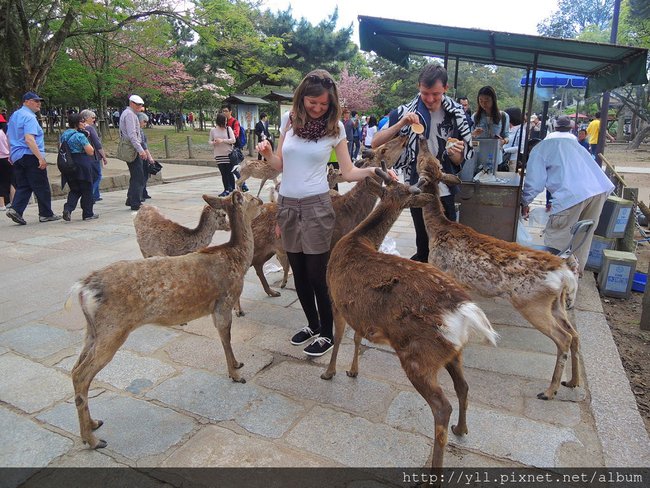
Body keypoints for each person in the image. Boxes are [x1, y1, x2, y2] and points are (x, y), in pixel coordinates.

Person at [256, 69, 392, 357]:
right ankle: (312, 324)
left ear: (332, 104)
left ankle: (327, 333)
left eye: (323, 104)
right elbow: (280, 165)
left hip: (317, 207)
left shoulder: (336, 129)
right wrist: (267, 153)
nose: (317, 108)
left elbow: (348, 171)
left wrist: (374, 171)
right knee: (298, 273)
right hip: (288, 205)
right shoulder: (288, 122)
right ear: (301, 97)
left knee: (318, 275)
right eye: (312, 102)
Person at [372, 63, 473, 262]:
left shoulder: (458, 116)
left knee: (447, 243)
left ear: (446, 87)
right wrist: (401, 124)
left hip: (444, 188)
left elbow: (460, 159)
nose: (429, 99)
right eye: (425, 93)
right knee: (423, 242)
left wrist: (455, 154)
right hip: (416, 187)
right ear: (418, 86)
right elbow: (376, 142)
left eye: (435, 93)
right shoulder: (404, 112)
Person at [521, 116, 614, 275]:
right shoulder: (573, 144)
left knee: (557, 240)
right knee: (581, 241)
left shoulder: (540, 149)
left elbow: (534, 183)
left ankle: (556, 282)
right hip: (597, 192)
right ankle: (574, 280)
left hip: (571, 196)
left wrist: (523, 201)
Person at [6, 91, 60, 225]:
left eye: (39, 101)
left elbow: (8, 136)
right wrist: (40, 158)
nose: (39, 104)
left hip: (17, 155)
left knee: (24, 184)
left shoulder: (14, 115)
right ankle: (46, 214)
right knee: (41, 185)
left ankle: (16, 209)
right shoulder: (29, 117)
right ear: (27, 102)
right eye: (36, 101)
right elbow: (29, 139)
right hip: (30, 155)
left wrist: (10, 154)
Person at [60, 113, 99, 221]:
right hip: (81, 162)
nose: (84, 123)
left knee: (75, 189)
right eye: (82, 121)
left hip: (68, 163)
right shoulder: (80, 136)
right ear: (77, 123)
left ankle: (68, 208)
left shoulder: (64, 135)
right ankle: (87, 213)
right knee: (87, 189)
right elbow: (90, 151)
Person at [119, 94, 147, 210]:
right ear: (131, 103)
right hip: (133, 148)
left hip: (131, 146)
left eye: (140, 105)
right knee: (138, 176)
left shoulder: (128, 113)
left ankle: (131, 199)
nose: (139, 107)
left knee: (135, 175)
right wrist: (141, 150)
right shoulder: (130, 115)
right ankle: (135, 202)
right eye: (138, 104)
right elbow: (132, 135)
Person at [79, 110, 107, 202]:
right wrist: (104, 156)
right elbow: (97, 143)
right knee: (98, 176)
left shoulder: (80, 129)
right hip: (93, 156)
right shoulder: (90, 128)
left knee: (91, 176)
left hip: (83, 157)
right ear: (86, 118)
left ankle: (96, 195)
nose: (94, 120)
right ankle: (90, 196)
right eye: (93, 117)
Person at [221, 103, 248, 192]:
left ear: (230, 112)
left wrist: (226, 137)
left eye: (226, 111)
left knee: (234, 168)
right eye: (223, 111)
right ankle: (230, 187)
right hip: (224, 148)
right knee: (228, 169)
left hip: (234, 149)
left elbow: (236, 134)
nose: (224, 113)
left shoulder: (234, 122)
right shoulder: (221, 122)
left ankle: (243, 184)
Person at [210, 113, 237, 197]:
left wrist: (223, 140)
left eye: (226, 121)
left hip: (228, 154)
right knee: (223, 173)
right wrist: (214, 142)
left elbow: (233, 140)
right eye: (224, 121)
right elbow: (209, 141)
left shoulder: (228, 129)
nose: (226, 123)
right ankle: (226, 189)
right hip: (219, 155)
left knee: (229, 172)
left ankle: (232, 189)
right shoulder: (213, 130)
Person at [502, 107, 526, 172]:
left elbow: (521, 147)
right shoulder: (507, 128)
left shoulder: (520, 130)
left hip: (512, 161)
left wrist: (505, 150)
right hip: (502, 158)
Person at [138, 112, 155, 201]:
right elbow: (143, 145)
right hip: (142, 155)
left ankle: (143, 192)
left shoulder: (140, 130)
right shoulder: (138, 131)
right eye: (144, 121)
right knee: (142, 175)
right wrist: (150, 157)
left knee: (145, 175)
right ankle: (140, 194)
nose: (145, 124)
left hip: (143, 154)